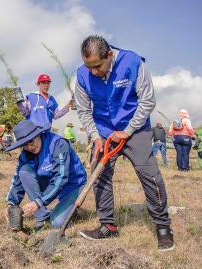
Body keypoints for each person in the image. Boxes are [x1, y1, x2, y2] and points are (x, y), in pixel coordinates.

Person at [74, 35, 174, 251]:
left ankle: (163, 226)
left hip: (135, 127)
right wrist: (95, 136)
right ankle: (107, 226)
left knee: (149, 174)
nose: (93, 72)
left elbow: (147, 101)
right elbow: (83, 109)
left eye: (97, 66)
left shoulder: (133, 62)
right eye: (88, 66)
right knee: (99, 176)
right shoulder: (82, 74)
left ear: (109, 55)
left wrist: (127, 131)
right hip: (103, 131)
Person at [5, 120, 87, 231]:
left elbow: (61, 177)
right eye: (24, 145)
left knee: (57, 223)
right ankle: (42, 216)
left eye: (31, 142)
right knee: (24, 171)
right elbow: (17, 179)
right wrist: (11, 204)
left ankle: (73, 210)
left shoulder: (58, 144)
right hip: (49, 181)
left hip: (73, 184)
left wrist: (39, 202)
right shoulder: (26, 153)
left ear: (38, 135)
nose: (29, 147)